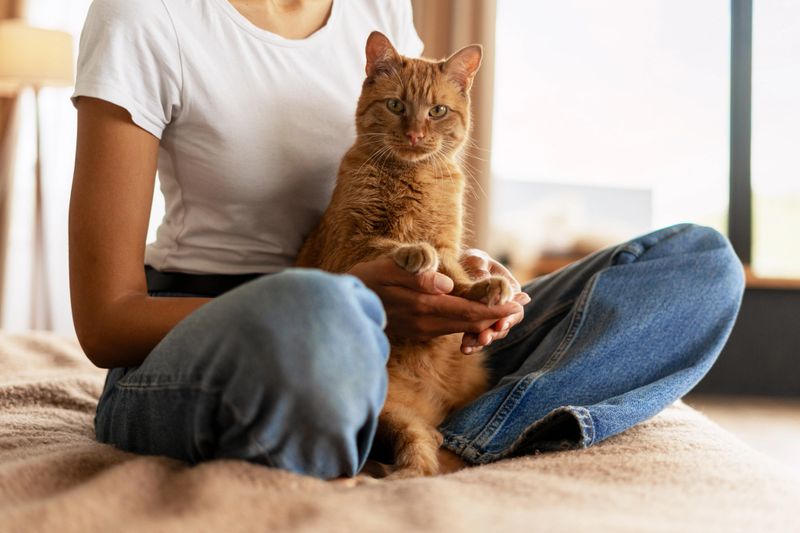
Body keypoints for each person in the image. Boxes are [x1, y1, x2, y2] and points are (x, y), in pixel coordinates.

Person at [69, 0, 744, 480]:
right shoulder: (145, 14)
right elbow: (103, 322)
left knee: (701, 265)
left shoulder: (378, 8)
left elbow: (418, 188)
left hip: (412, 345)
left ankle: (452, 440)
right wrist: (349, 302)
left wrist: (464, 281)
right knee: (318, 310)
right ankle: (386, 413)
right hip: (231, 335)